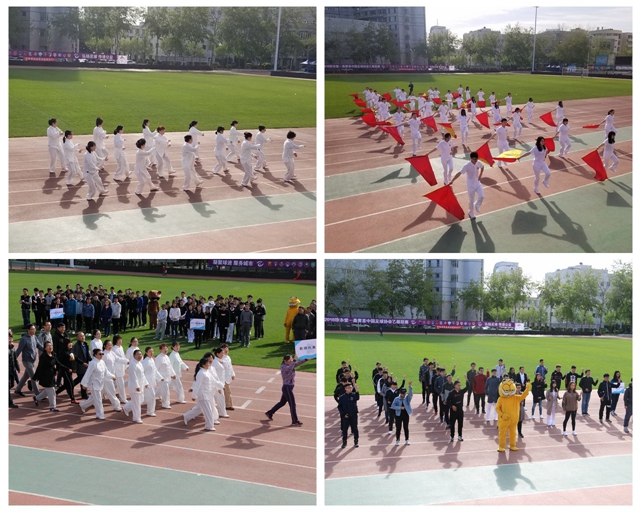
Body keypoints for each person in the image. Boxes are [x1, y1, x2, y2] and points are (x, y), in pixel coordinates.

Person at [265, 354, 308, 426]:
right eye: (290, 360)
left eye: (291, 359)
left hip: (288, 388)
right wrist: (294, 360)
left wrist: (306, 359)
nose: (291, 361)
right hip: (287, 388)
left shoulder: (291, 365)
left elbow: (296, 364)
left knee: (282, 402)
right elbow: (290, 368)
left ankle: (270, 412)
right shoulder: (283, 367)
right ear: (285, 361)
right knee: (292, 404)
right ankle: (294, 420)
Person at [184, 356, 220, 431]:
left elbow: (213, 381)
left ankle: (187, 416)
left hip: (207, 394)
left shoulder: (206, 372)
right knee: (208, 410)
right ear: (203, 365)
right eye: (207, 362)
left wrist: (221, 386)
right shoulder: (201, 373)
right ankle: (209, 426)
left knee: (200, 409)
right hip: (203, 395)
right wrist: (194, 395)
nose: (209, 363)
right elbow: (197, 385)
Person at [79, 348, 117, 419]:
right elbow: (87, 374)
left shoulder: (102, 362)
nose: (101, 355)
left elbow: (106, 372)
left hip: (100, 383)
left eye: (102, 354)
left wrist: (112, 376)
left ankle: (82, 405)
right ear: (95, 355)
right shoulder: (92, 363)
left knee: (95, 398)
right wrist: (84, 384)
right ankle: (100, 414)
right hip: (94, 384)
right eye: (100, 354)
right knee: (98, 400)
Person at [450, 151, 485, 219]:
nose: (475, 161)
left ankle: (477, 205)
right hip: (470, 185)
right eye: (474, 159)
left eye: (476, 159)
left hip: (477, 183)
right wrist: (452, 180)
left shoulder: (478, 163)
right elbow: (459, 173)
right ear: (470, 158)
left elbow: (482, 167)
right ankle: (471, 212)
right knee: (471, 200)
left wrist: (480, 175)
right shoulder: (467, 165)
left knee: (482, 196)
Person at [32, 341, 64, 412]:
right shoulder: (43, 357)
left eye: (51, 345)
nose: (50, 347)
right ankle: (52, 407)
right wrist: (35, 377)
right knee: (52, 391)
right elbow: (39, 367)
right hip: (45, 377)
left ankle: (36, 398)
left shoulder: (53, 355)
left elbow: (58, 364)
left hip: (51, 377)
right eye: (48, 346)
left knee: (47, 391)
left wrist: (66, 368)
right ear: (45, 348)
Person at [14, 325, 43, 398]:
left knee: (25, 377)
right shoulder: (23, 339)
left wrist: (47, 350)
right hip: (26, 361)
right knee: (34, 377)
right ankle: (38, 394)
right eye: (32, 329)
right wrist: (13, 360)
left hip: (33, 360)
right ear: (28, 330)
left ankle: (17, 390)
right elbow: (19, 350)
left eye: (34, 329)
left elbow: (39, 346)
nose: (34, 330)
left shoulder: (34, 337)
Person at [122, 349, 148, 423]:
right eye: (137, 355)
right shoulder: (132, 364)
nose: (139, 356)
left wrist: (146, 383)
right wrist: (137, 386)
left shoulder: (139, 363)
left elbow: (142, 375)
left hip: (141, 385)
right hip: (135, 386)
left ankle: (126, 407)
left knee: (141, 400)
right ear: (134, 356)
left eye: (140, 354)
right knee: (136, 403)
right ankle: (136, 418)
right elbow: (133, 376)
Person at [101, 340, 125, 411]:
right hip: (106, 377)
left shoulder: (112, 353)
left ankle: (84, 404)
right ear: (105, 346)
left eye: (111, 345)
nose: (110, 346)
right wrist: (110, 375)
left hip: (111, 375)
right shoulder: (103, 355)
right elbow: (103, 367)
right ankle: (116, 406)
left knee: (99, 393)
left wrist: (126, 361)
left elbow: (118, 359)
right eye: (108, 345)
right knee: (112, 392)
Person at [142, 346, 164, 416]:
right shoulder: (145, 361)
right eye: (150, 351)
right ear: (146, 353)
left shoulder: (152, 360)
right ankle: (150, 412)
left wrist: (160, 377)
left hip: (151, 382)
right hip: (147, 383)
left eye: (152, 351)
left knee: (147, 398)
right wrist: (145, 382)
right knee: (151, 397)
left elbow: (155, 371)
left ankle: (127, 407)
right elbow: (141, 373)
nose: (151, 353)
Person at [338, 381, 360, 448]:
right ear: (345, 389)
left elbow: (357, 397)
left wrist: (357, 390)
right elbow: (339, 407)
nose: (350, 389)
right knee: (345, 429)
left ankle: (356, 441)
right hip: (346, 416)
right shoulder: (342, 397)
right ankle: (344, 442)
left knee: (355, 428)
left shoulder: (353, 395)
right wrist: (343, 414)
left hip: (353, 415)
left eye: (351, 387)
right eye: (348, 388)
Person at [155, 343, 177, 408]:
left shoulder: (167, 357)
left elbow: (170, 367)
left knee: (165, 390)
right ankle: (165, 404)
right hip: (162, 378)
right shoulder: (159, 358)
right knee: (166, 391)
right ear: (160, 350)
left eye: (166, 348)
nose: (165, 349)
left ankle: (154, 395)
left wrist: (173, 374)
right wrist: (159, 377)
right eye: (164, 348)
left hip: (167, 377)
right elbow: (155, 369)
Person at [111, 335, 128, 404]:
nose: (120, 341)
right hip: (117, 369)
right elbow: (117, 359)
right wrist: (126, 361)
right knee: (120, 384)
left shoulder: (121, 347)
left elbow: (123, 356)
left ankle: (104, 392)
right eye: (119, 340)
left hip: (121, 368)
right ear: (116, 341)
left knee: (115, 384)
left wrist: (126, 365)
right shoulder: (114, 349)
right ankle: (123, 398)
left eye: (121, 339)